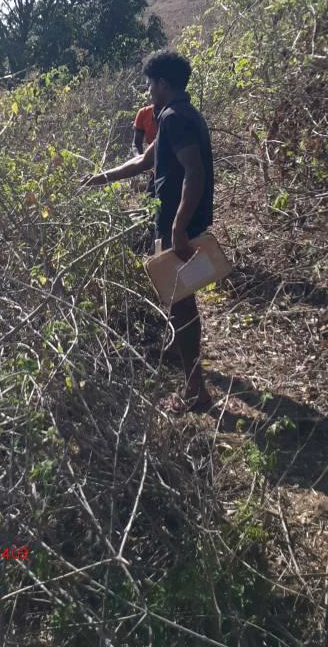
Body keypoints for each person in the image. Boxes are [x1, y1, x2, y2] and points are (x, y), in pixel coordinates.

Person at [81, 50, 214, 413]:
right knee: (179, 299)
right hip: (175, 222)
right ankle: (187, 368)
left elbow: (195, 172)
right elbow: (144, 160)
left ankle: (195, 392)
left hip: (178, 225)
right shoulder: (179, 114)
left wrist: (179, 226)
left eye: (150, 84)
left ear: (163, 84)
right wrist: (98, 179)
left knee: (182, 303)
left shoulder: (175, 118)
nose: (148, 90)